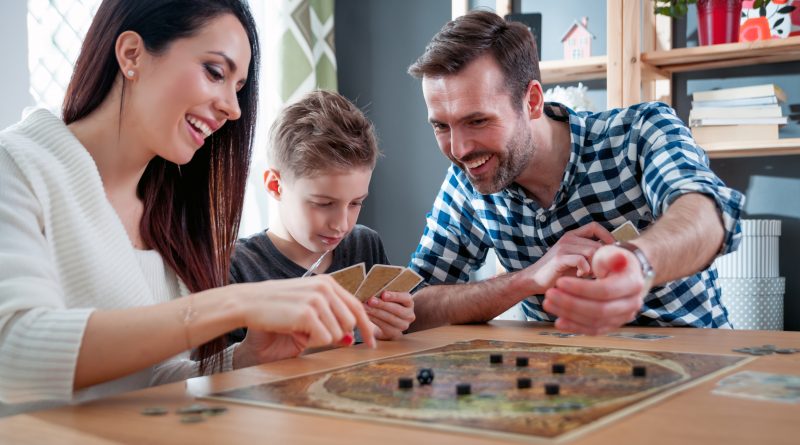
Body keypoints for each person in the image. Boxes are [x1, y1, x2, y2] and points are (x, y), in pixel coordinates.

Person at [0, 0, 373, 416]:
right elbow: (12, 353)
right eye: (216, 72)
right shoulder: (16, 165)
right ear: (132, 55)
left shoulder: (169, 212)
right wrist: (234, 303)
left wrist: (244, 359)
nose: (233, 109)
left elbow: (143, 382)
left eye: (238, 88)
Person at [405, 11, 744, 335]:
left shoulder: (639, 132)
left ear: (532, 102)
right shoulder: (467, 181)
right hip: (565, 380)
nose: (460, 149)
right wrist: (529, 279)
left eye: (477, 121)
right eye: (441, 126)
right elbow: (413, 307)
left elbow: (705, 212)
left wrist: (638, 263)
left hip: (693, 361)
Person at [228, 90, 415, 350]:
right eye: (324, 204)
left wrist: (393, 325)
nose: (341, 224)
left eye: (356, 203)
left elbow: (384, 342)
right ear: (275, 185)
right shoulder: (237, 268)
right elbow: (222, 374)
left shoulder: (365, 245)